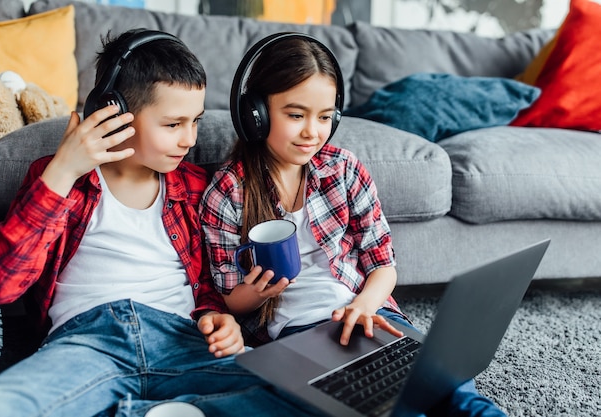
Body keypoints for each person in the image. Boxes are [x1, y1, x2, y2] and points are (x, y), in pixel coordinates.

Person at [0, 29, 325, 417]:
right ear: (111, 111)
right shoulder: (57, 178)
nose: (189, 139)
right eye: (173, 125)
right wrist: (63, 171)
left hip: (182, 340)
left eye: (195, 121)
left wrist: (218, 316)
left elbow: (208, 283)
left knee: (309, 397)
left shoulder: (193, 186)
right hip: (89, 343)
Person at [199, 32, 508, 417]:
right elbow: (231, 296)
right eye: (296, 115)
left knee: (454, 391)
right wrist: (259, 290)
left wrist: (363, 306)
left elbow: (383, 265)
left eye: (325, 117)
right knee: (391, 407)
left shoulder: (343, 168)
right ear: (256, 113)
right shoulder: (228, 191)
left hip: (370, 310)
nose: (313, 131)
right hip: (301, 333)